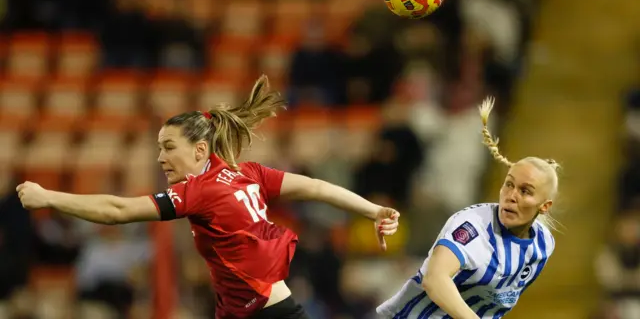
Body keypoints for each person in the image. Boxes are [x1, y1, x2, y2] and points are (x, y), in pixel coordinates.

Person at [17, 75, 401, 319]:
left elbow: (118, 210)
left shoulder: (198, 191)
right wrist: (371, 209)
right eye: (158, 147)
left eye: (169, 147)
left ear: (200, 151)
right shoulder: (246, 173)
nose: (160, 157)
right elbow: (315, 187)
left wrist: (48, 196)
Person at [376, 97, 558, 319]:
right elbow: (434, 280)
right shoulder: (473, 225)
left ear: (545, 206)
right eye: (508, 184)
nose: (511, 196)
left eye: (525, 191)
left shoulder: (543, 245)